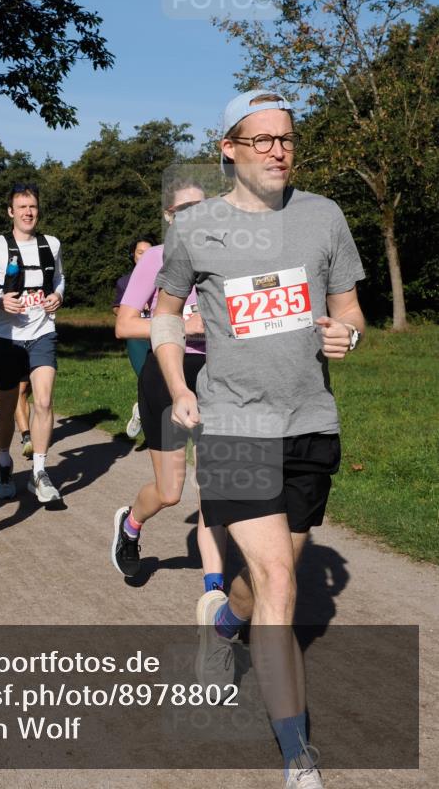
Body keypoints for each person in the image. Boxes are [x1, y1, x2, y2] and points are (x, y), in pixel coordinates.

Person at [152, 90, 365, 788]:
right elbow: (165, 314)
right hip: (233, 425)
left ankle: (221, 625)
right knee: (277, 579)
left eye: (288, 139)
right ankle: (297, 754)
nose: (279, 150)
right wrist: (180, 389)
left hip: (309, 424)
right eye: (263, 139)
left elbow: (349, 310)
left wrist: (349, 335)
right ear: (230, 150)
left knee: (260, 589)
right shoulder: (195, 229)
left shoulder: (324, 216)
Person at [112, 183, 226, 592]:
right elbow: (124, 326)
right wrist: (184, 325)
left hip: (219, 377)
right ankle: (130, 524)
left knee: (214, 487)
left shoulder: (226, 257)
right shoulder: (156, 260)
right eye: (185, 208)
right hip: (166, 372)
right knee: (170, 491)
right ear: (168, 215)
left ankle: (214, 590)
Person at [0, 183, 65, 503]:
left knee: (43, 401)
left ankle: (39, 472)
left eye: (33, 207)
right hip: (7, 338)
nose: (28, 212)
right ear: (11, 212)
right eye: (22, 207)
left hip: (43, 333)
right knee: (6, 405)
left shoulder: (51, 244)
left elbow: (59, 279)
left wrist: (58, 296)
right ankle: (3, 460)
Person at [112, 236, 155, 438]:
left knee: (162, 378)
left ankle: (142, 411)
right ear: (133, 256)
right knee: (146, 376)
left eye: (149, 251)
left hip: (159, 334)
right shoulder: (125, 282)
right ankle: (142, 414)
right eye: (140, 252)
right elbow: (116, 308)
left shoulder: (165, 277)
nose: (145, 256)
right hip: (137, 338)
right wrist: (133, 307)